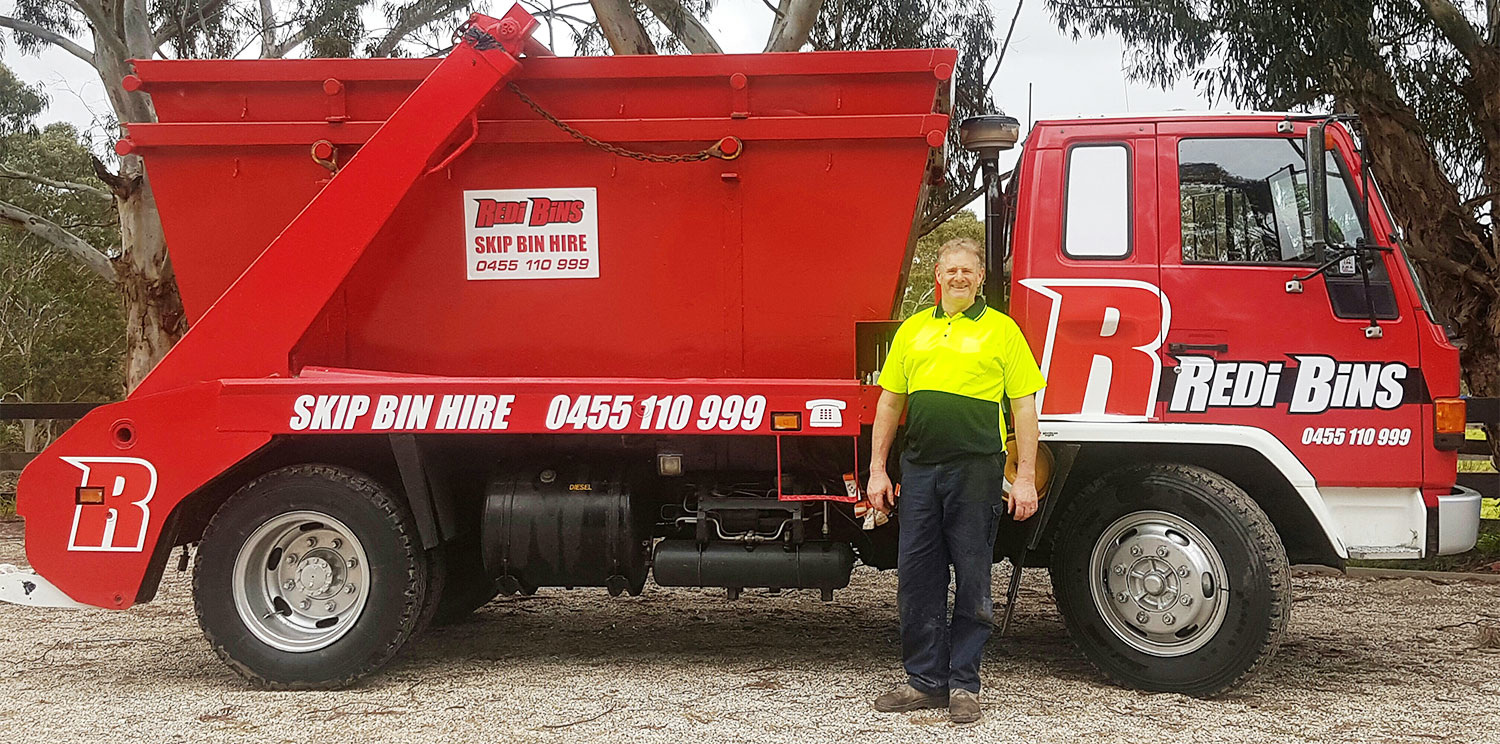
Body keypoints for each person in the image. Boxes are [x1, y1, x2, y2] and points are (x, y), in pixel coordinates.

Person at [866, 237, 1045, 724]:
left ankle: (964, 683)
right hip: (920, 472)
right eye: (951, 271)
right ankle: (925, 681)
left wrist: (1024, 478)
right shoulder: (913, 331)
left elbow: (1025, 408)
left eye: (969, 271)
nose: (959, 278)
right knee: (918, 580)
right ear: (938, 276)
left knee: (972, 579)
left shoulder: (1002, 331)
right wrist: (878, 468)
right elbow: (889, 403)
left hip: (977, 472)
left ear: (980, 278)